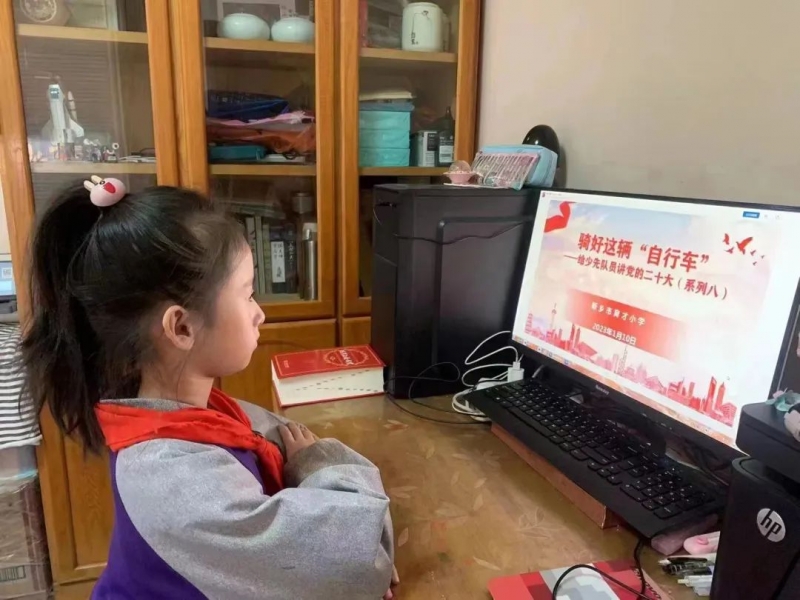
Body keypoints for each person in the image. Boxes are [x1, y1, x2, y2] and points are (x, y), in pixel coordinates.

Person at [21, 178, 398, 600]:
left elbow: (352, 551)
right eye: (247, 295)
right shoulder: (170, 480)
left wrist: (353, 543)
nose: (259, 314)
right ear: (182, 327)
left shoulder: (198, 411)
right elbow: (361, 557)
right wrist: (322, 474)